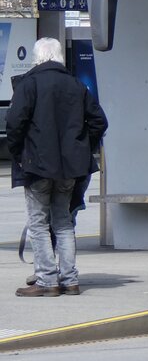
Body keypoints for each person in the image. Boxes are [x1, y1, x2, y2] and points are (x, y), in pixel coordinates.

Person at [6, 37, 108, 297]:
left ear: (37, 57)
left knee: (39, 223)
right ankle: (69, 280)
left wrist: (18, 154)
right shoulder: (76, 84)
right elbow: (99, 121)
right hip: (69, 168)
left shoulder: (29, 84)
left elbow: (15, 123)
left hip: (38, 165)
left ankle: (47, 280)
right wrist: (82, 148)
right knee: (63, 222)